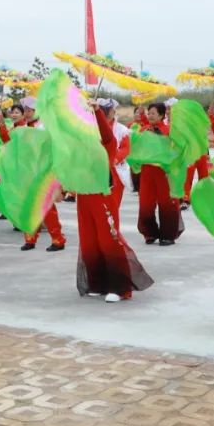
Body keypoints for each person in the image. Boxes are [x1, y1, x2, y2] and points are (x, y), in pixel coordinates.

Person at [76, 100, 153, 302]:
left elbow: (107, 134)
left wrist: (97, 111)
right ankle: (97, 283)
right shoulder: (81, 142)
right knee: (88, 238)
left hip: (103, 193)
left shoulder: (108, 142)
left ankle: (120, 288)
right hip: (84, 193)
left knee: (108, 237)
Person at [0, 97, 66, 252]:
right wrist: (1, 124)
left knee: (47, 207)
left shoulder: (43, 127)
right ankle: (30, 239)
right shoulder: (20, 129)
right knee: (27, 206)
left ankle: (58, 239)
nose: (27, 113)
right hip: (27, 172)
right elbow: (8, 142)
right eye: (26, 110)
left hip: (43, 172)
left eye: (30, 110)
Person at [136, 102, 183, 245]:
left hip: (164, 172)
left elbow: (177, 151)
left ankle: (168, 235)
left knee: (166, 202)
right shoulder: (143, 130)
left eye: (153, 113)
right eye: (149, 113)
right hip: (147, 171)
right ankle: (149, 233)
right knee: (145, 203)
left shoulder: (169, 131)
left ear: (162, 115)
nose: (150, 116)